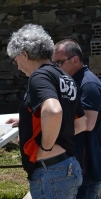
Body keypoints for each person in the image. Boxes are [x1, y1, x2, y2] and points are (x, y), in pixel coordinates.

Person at [6, 24, 87, 198]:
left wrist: (46, 146)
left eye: (16, 60)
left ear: (25, 54)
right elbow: (81, 123)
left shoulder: (39, 76)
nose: (18, 66)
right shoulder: (65, 77)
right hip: (68, 166)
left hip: (50, 170)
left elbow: (53, 111)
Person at [53, 39, 101, 199]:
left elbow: (87, 123)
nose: (56, 68)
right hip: (78, 159)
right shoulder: (71, 81)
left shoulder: (88, 84)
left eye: (59, 62)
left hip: (88, 163)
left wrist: (51, 132)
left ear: (75, 60)